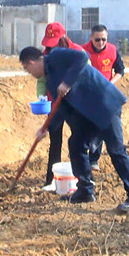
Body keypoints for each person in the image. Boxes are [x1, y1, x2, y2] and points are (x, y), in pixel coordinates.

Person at [20, 46, 129, 213]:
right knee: (76, 144)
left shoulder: (56, 56)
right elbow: (61, 109)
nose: (29, 73)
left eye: (27, 69)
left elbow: (81, 57)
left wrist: (67, 82)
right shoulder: (50, 80)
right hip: (87, 114)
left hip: (104, 104)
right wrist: (47, 129)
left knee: (116, 150)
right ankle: (85, 190)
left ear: (32, 62)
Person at [39, 21, 87, 189]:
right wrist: (42, 97)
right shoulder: (45, 55)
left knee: (78, 141)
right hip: (55, 104)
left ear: (63, 38)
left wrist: (70, 85)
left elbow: (86, 76)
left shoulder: (78, 53)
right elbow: (41, 79)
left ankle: (83, 180)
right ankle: (51, 181)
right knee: (55, 141)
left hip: (76, 104)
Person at [82, 24, 125, 167]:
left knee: (101, 127)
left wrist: (110, 84)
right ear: (91, 38)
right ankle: (81, 157)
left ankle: (94, 159)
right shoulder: (82, 51)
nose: (101, 43)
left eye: (103, 40)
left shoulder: (112, 50)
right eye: (97, 40)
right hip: (87, 95)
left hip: (105, 94)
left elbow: (120, 70)